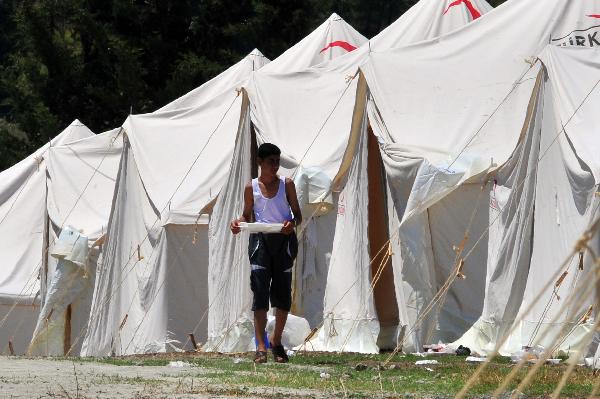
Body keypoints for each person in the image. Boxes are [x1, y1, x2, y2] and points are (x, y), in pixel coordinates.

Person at [230, 143, 302, 364]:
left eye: (277, 161)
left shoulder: (286, 184)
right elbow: (246, 214)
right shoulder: (251, 187)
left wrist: (292, 223)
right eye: (270, 161)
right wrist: (237, 223)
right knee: (260, 295)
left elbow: (298, 215)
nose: (275, 166)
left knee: (282, 297)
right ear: (260, 163)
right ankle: (260, 346)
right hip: (260, 243)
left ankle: (276, 341)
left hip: (283, 242)